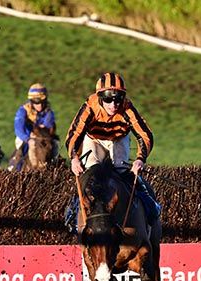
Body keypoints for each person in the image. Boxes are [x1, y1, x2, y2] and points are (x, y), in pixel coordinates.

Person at [64, 72, 160, 232]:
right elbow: (75, 133)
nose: (113, 104)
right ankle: (74, 211)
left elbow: (145, 134)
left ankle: (149, 204)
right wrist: (74, 158)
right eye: (108, 99)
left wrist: (140, 159)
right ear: (100, 98)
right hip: (94, 139)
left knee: (122, 170)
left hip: (118, 139)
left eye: (118, 98)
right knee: (90, 173)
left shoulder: (127, 108)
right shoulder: (90, 106)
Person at [8, 83, 59, 171]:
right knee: (23, 145)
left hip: (43, 137)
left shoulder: (49, 112)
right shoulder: (23, 110)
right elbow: (19, 128)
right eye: (36, 102)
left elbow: (48, 127)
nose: (39, 105)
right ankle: (14, 167)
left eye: (42, 102)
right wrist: (28, 138)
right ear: (31, 101)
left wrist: (40, 135)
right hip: (26, 136)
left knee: (55, 145)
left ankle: (55, 166)